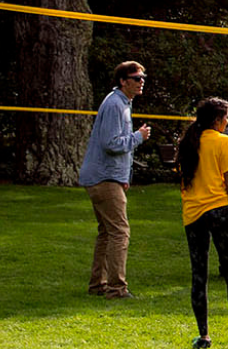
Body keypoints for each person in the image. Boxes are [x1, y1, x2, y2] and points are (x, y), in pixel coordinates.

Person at [175, 98, 228, 349]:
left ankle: (203, 337)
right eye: (226, 118)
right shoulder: (224, 141)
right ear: (217, 120)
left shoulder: (188, 143)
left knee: (198, 276)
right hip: (220, 211)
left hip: (193, 214)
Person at [79, 61, 152, 300]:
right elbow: (111, 144)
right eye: (136, 77)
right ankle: (116, 289)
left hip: (108, 177)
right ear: (123, 81)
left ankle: (98, 285)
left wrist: (123, 177)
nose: (141, 81)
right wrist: (138, 137)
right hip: (104, 177)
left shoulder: (121, 103)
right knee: (120, 232)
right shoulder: (114, 105)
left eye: (143, 77)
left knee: (107, 232)